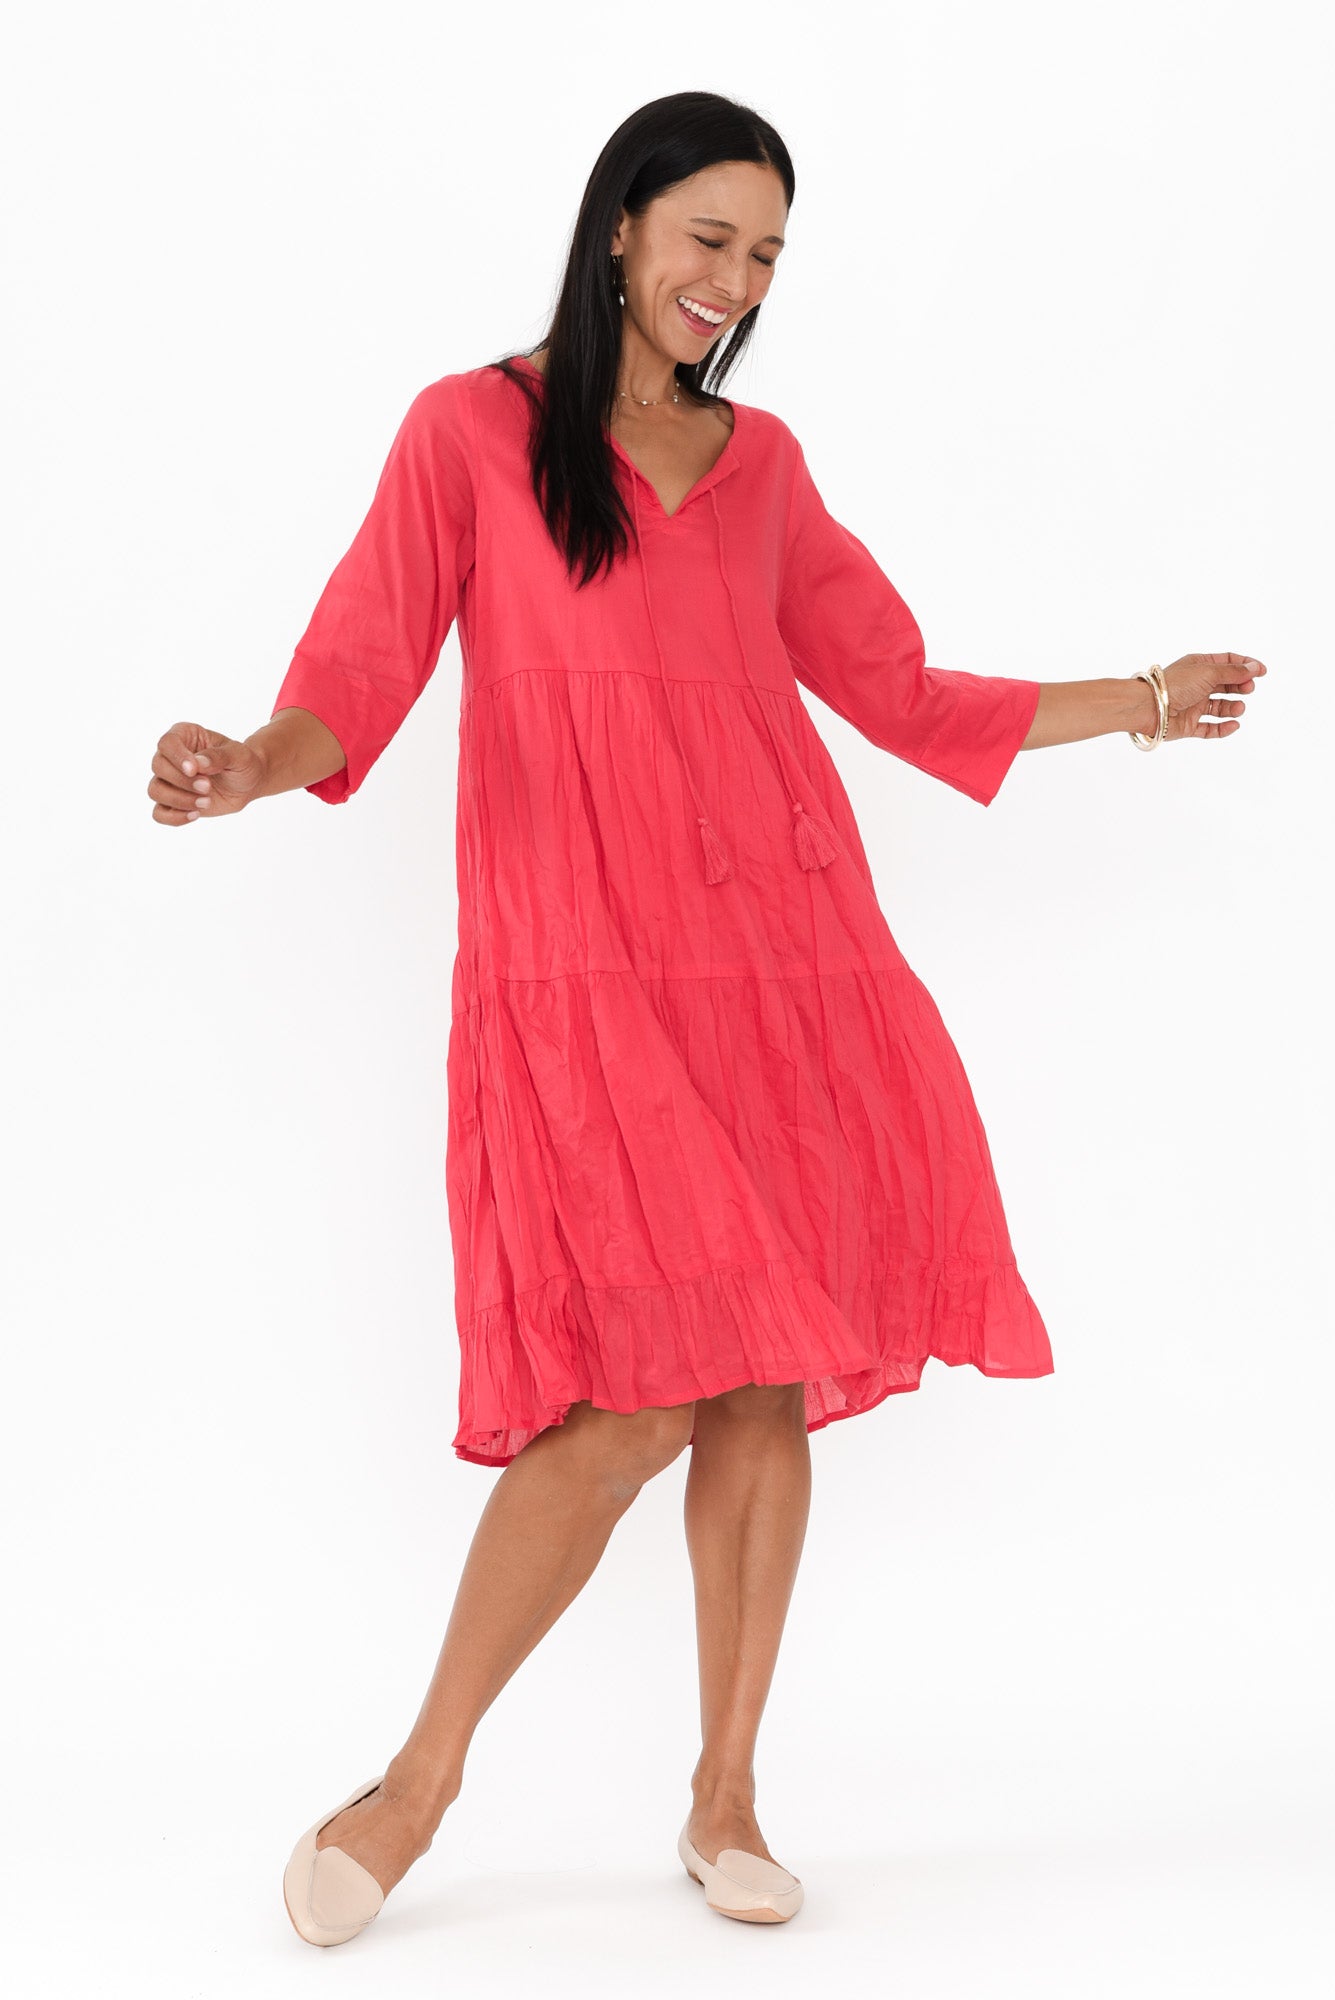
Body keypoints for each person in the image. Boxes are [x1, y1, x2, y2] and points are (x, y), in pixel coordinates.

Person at [147, 91, 1267, 1946]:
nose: (732, 284)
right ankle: (415, 1786)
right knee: (628, 1400)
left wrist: (1142, 696)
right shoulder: (472, 430)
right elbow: (362, 660)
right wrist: (254, 766)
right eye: (708, 240)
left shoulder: (763, 465)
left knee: (758, 1380)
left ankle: (726, 1793)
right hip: (580, 974)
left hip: (779, 963)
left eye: (763, 257)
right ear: (620, 226)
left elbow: (897, 689)